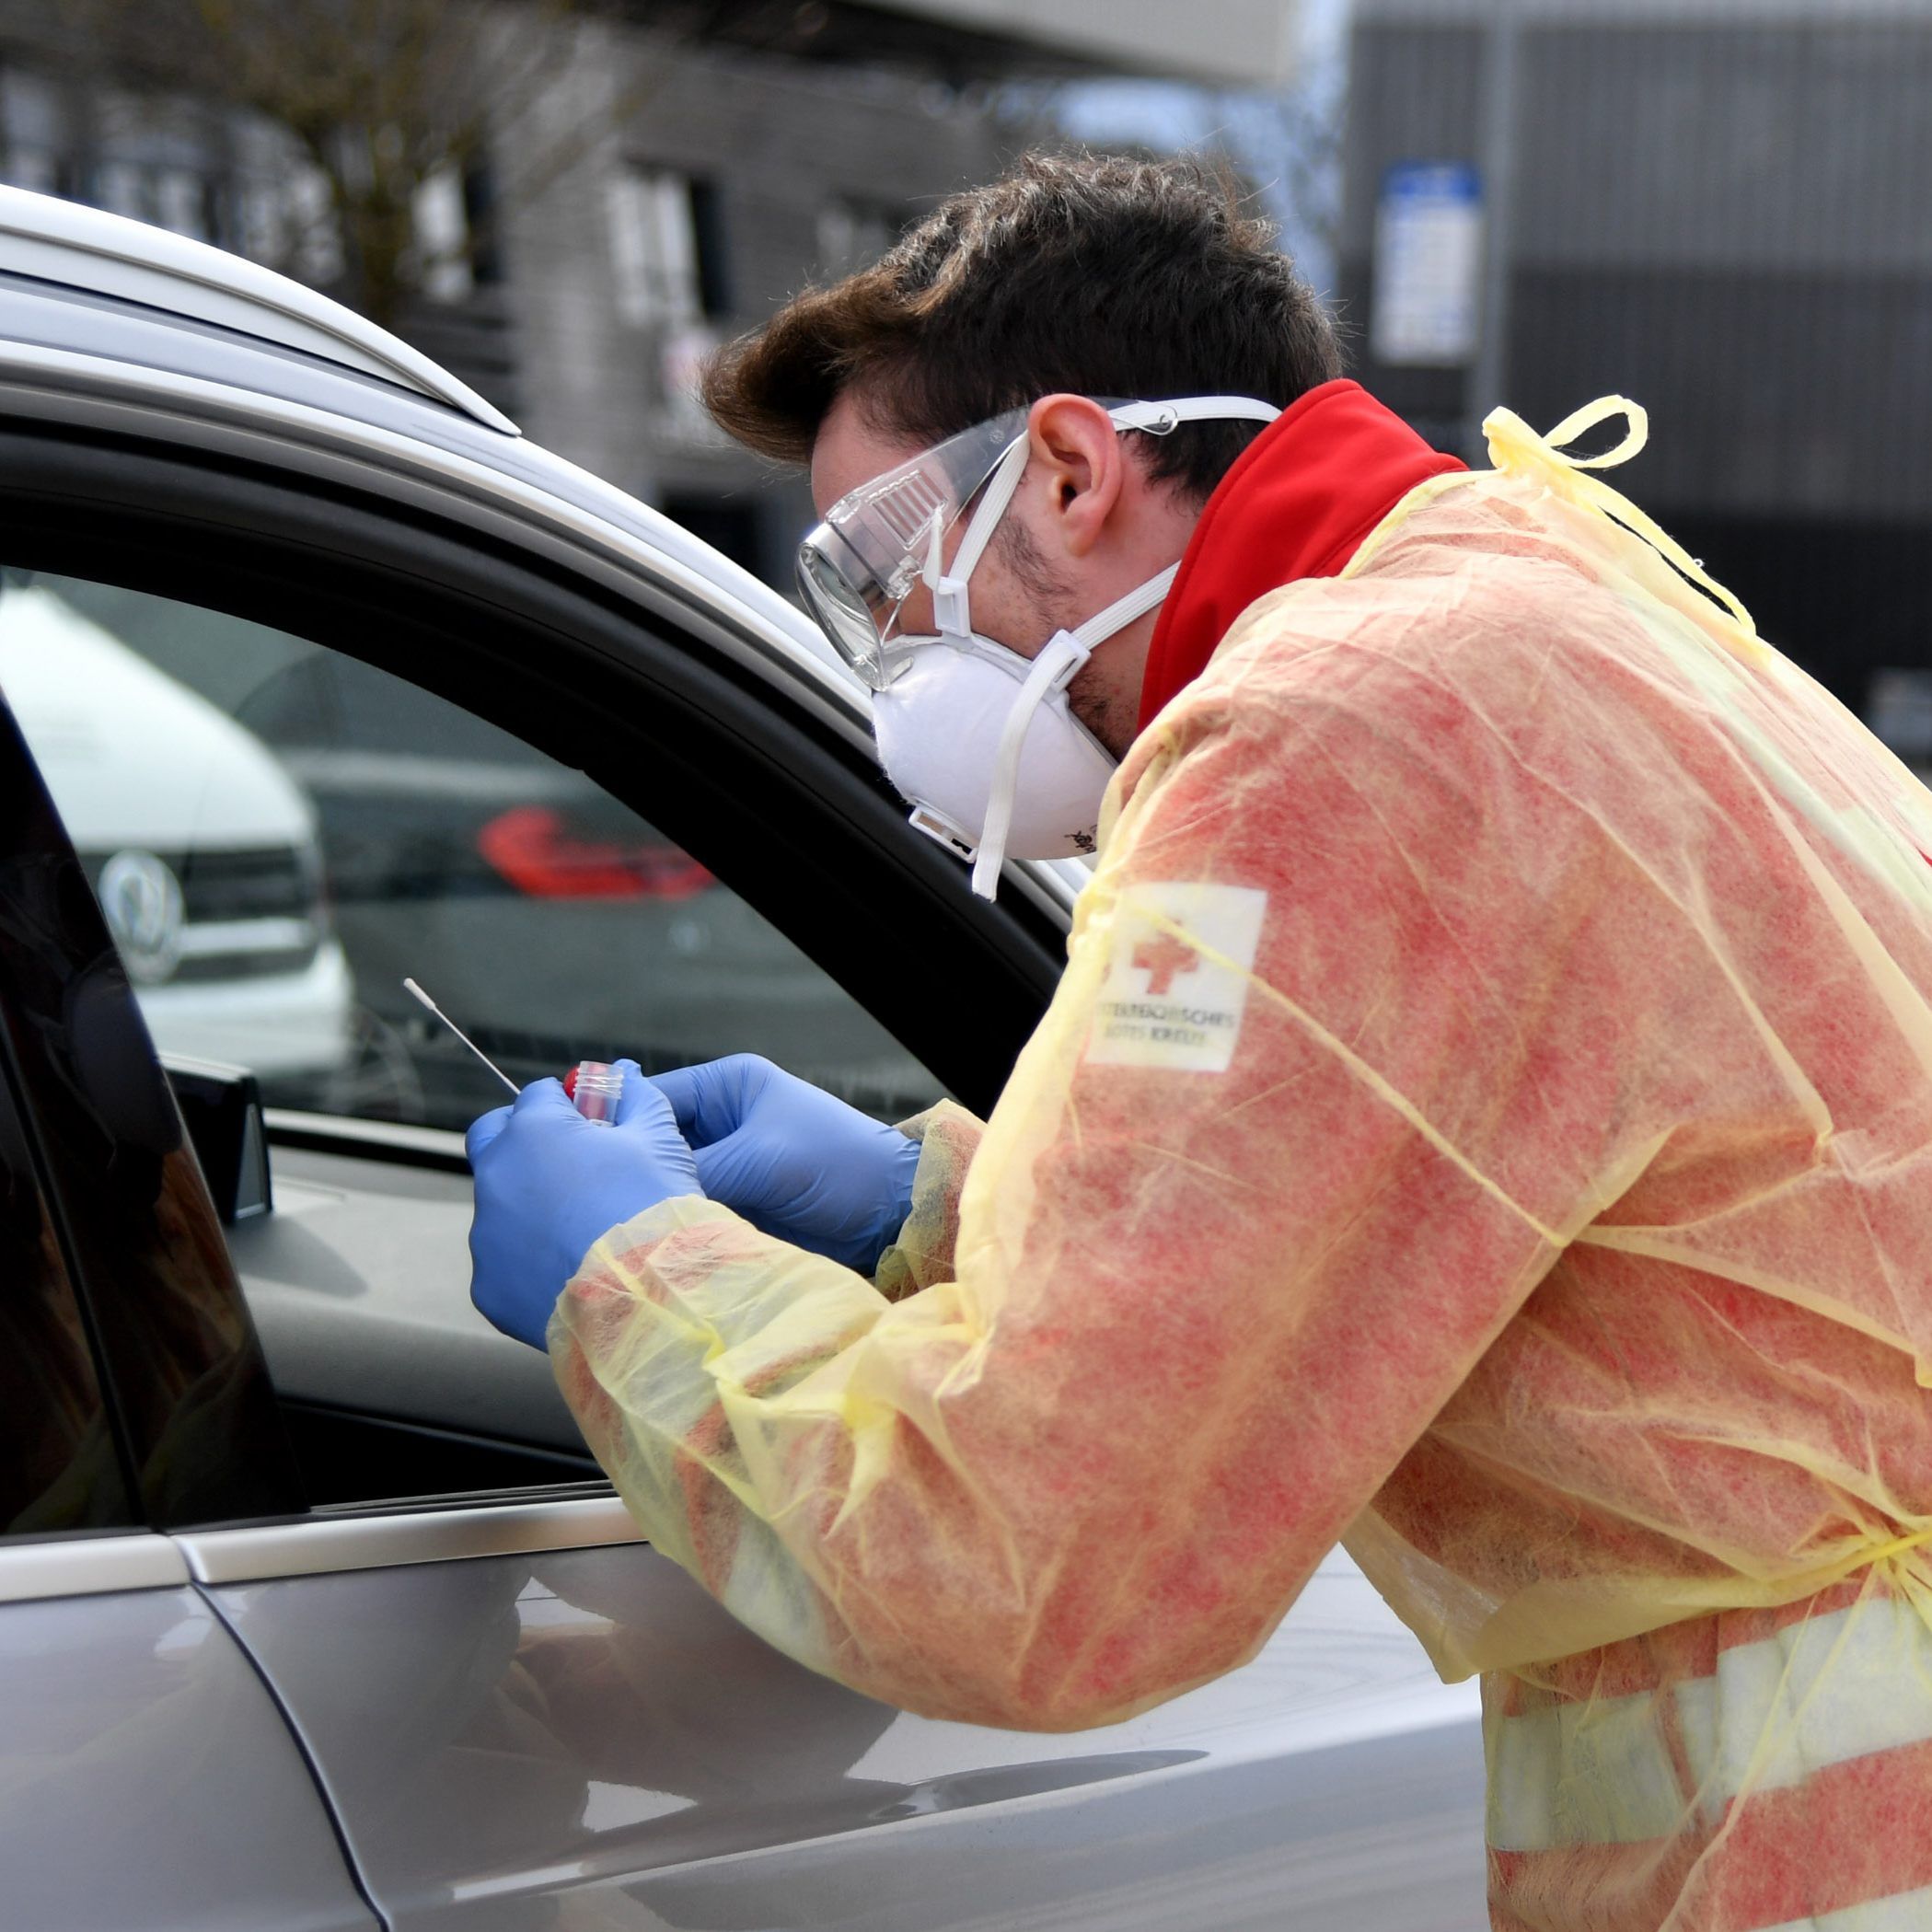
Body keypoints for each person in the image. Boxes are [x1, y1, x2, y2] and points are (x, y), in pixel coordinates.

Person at [466, 155, 1932, 1931]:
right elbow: (1403, 1194)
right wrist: (930, 1203)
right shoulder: (1523, 600)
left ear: (1074, 471)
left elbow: (1035, 1558)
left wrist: (635, 1278)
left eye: (878, 573)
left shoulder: (1335, 734)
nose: (893, 655)